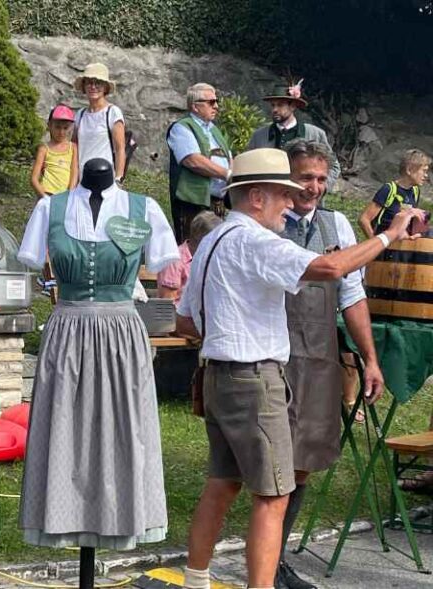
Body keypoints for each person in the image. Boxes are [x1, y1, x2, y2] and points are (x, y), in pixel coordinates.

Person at [175, 148, 423, 589]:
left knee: (223, 483)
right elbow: (329, 267)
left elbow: (186, 319)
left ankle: (195, 581)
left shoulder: (211, 239)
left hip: (218, 374)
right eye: (283, 193)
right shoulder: (254, 239)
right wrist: (390, 236)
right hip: (255, 377)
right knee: (274, 495)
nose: (291, 202)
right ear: (255, 196)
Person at [18, 157, 178, 553]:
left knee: (125, 429)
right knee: (62, 427)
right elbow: (31, 259)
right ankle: (61, 517)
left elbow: (162, 261)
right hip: (68, 330)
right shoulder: (49, 208)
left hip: (122, 334)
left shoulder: (145, 209)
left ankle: (120, 517)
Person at [276, 139, 385, 589]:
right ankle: (259, 565)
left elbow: (352, 296)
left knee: (300, 466)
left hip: (318, 359)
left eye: (321, 179)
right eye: (306, 177)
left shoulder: (336, 223)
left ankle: (275, 559)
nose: (314, 187)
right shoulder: (266, 222)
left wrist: (370, 359)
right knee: (262, 469)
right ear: (288, 177)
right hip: (273, 356)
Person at [247, 80, 340, 192]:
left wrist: (320, 188)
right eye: (273, 105)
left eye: (280, 105)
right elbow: (249, 166)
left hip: (305, 199)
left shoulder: (315, 134)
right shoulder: (259, 135)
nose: (275, 110)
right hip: (270, 199)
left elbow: (333, 166)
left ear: (293, 106)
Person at [166, 83, 232, 243]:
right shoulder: (181, 128)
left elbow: (230, 158)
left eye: (216, 102)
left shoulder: (214, 130)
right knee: (191, 249)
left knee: (215, 248)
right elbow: (192, 160)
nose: (216, 106)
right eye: (211, 102)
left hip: (217, 203)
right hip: (193, 203)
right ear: (195, 107)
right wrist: (228, 174)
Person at [358, 148, 430, 238]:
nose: (426, 175)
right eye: (424, 171)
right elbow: (364, 219)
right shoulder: (388, 190)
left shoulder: (415, 191)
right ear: (409, 170)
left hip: (403, 247)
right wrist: (376, 245)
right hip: (385, 247)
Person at [72, 63, 126, 182]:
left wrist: (118, 179)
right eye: (89, 82)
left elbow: (120, 149)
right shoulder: (80, 115)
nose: (93, 86)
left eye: (98, 83)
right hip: (82, 179)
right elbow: (74, 147)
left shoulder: (112, 112)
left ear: (105, 87)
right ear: (84, 86)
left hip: (105, 179)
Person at [157, 211, 221, 304]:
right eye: (216, 239)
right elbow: (168, 305)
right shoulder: (174, 260)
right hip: (181, 316)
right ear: (202, 238)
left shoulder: (211, 257)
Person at [31, 104, 79, 198]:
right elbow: (34, 178)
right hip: (47, 193)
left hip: (66, 195)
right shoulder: (44, 149)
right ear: (49, 125)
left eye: (65, 128)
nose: (61, 132)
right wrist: (44, 197)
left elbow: (74, 172)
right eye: (57, 127)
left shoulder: (73, 147)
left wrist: (70, 193)